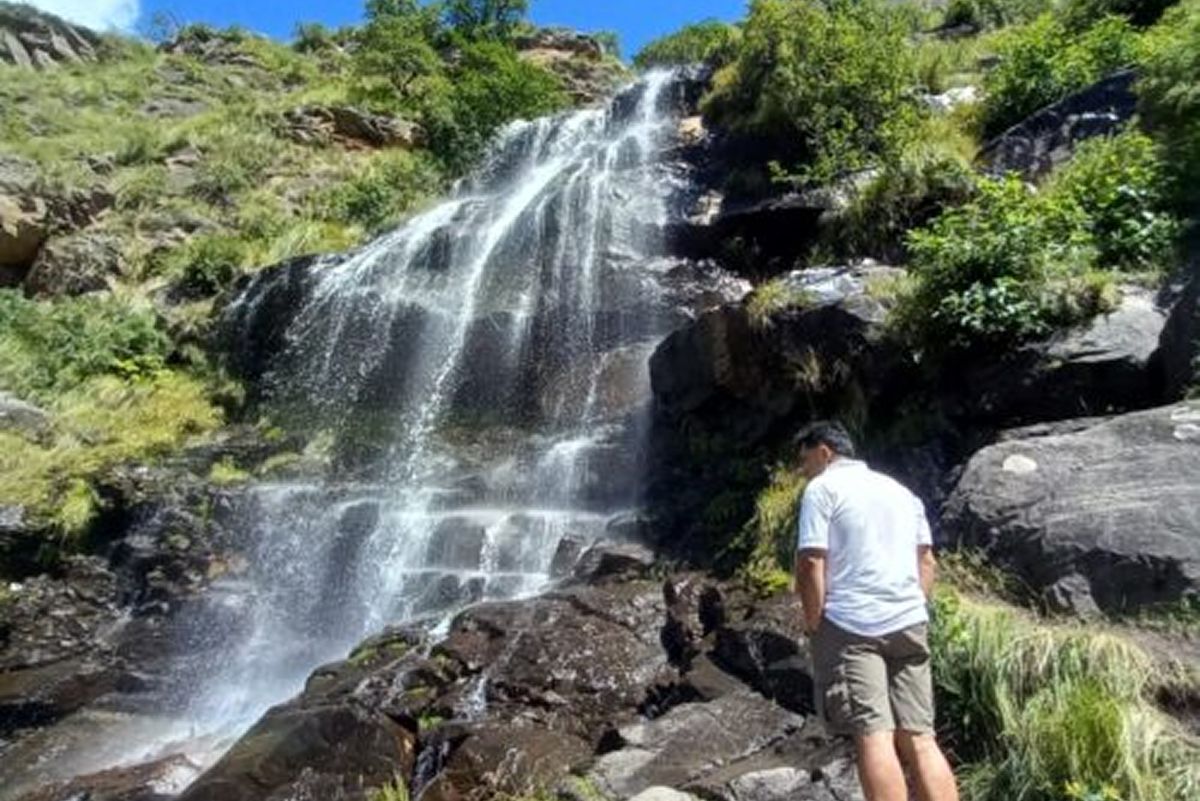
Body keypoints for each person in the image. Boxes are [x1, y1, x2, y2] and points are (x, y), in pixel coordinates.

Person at [792, 421, 959, 801]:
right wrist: (913, 607)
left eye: (805, 461)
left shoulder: (822, 489)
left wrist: (815, 620)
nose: (803, 472)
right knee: (920, 737)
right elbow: (927, 561)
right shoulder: (901, 492)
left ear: (825, 452)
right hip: (910, 621)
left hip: (852, 625)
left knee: (873, 733)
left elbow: (811, 562)